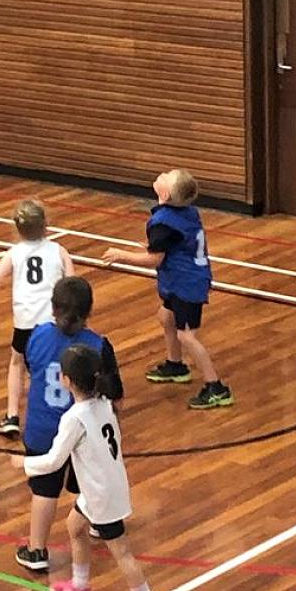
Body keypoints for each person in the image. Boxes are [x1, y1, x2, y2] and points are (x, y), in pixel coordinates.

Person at [12, 344, 169, 591]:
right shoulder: (105, 404)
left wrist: (24, 463)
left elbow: (54, 461)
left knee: (122, 553)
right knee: (75, 526)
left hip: (101, 495)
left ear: (66, 380)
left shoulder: (75, 418)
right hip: (106, 486)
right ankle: (80, 587)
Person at [15, 275, 122, 573]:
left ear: (53, 307)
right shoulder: (98, 346)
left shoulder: (37, 336)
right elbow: (115, 393)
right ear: (89, 311)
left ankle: (37, 550)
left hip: (42, 428)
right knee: (84, 481)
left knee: (44, 490)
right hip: (85, 431)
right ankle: (96, 521)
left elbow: (30, 368)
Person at [103, 168, 233, 410]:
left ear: (164, 195)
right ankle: (176, 365)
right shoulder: (187, 212)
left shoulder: (163, 224)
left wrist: (122, 255)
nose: (163, 174)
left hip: (187, 284)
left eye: (167, 176)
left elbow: (154, 259)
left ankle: (216, 387)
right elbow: (175, 243)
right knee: (166, 317)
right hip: (181, 279)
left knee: (187, 336)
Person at [0, 198, 74, 438]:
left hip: (26, 321)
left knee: (17, 363)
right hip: (54, 320)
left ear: (17, 228)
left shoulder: (14, 253)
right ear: (45, 224)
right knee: (60, 363)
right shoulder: (58, 250)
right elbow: (72, 283)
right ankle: (67, 408)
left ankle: (12, 415)